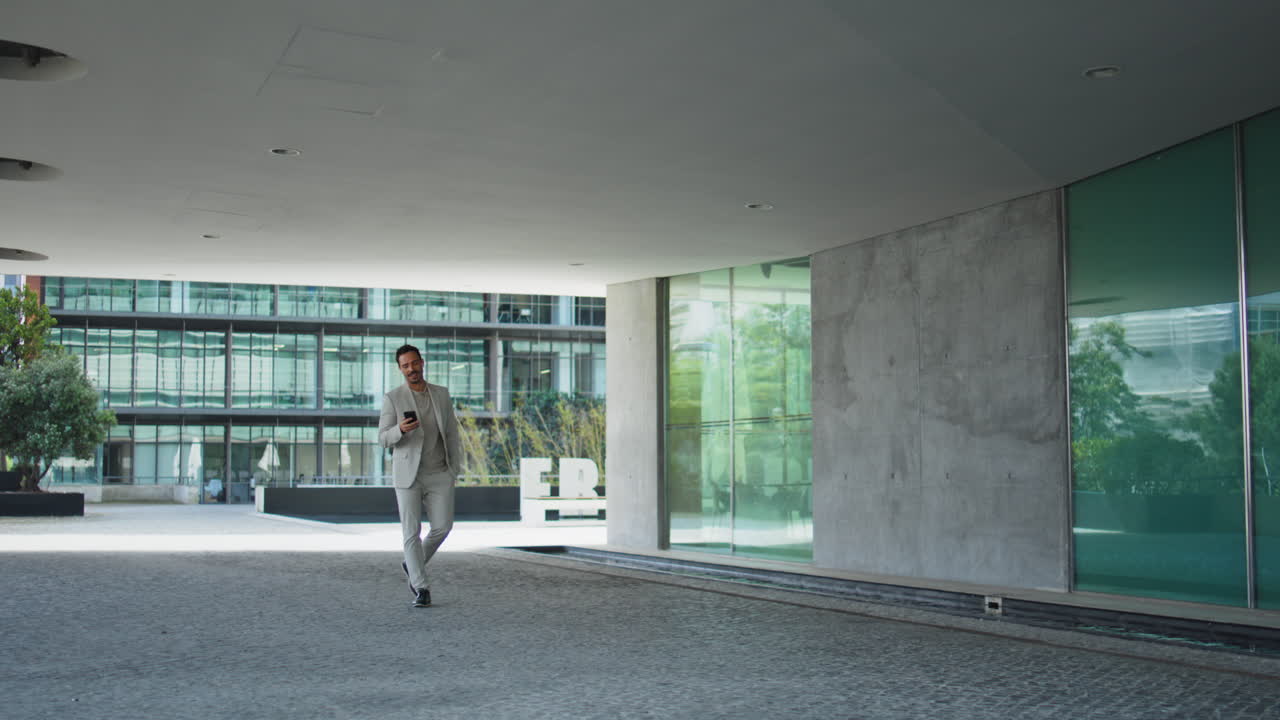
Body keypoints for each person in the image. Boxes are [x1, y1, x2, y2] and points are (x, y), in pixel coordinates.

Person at [378, 344, 462, 608]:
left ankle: (412, 563)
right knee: (410, 532)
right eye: (405, 366)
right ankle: (421, 587)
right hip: (408, 475)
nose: (411, 369)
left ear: (422, 363)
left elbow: (452, 433)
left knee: (443, 527)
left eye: (414, 363)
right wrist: (400, 430)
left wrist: (454, 468)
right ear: (400, 369)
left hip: (439, 472)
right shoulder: (393, 398)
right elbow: (383, 438)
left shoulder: (441, 394)